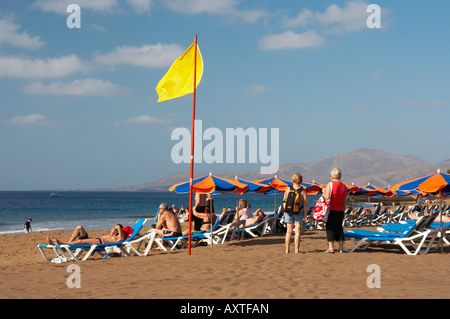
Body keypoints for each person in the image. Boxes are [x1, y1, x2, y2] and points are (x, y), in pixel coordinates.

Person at [322, 168, 348, 253]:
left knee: (330, 228)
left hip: (331, 209)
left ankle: (331, 247)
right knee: (339, 228)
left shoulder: (330, 184)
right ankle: (340, 249)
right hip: (340, 210)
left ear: (332, 176)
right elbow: (345, 200)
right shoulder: (344, 186)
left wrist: (324, 191)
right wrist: (343, 210)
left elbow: (326, 197)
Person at [283, 172, 308, 254]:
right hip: (298, 212)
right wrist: (305, 215)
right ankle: (296, 250)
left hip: (288, 212)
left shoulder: (288, 189)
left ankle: (287, 250)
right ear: (301, 181)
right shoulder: (303, 191)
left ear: (293, 180)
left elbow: (284, 202)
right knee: (297, 231)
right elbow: (305, 205)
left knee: (288, 231)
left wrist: (284, 212)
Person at [47, 224, 125, 245]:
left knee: (80, 242)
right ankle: (67, 245)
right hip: (93, 240)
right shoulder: (109, 235)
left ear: (118, 232)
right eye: (113, 228)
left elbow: (121, 239)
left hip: (100, 242)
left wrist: (118, 228)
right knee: (79, 227)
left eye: (116, 230)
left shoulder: (117, 238)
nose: (113, 230)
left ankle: (62, 243)